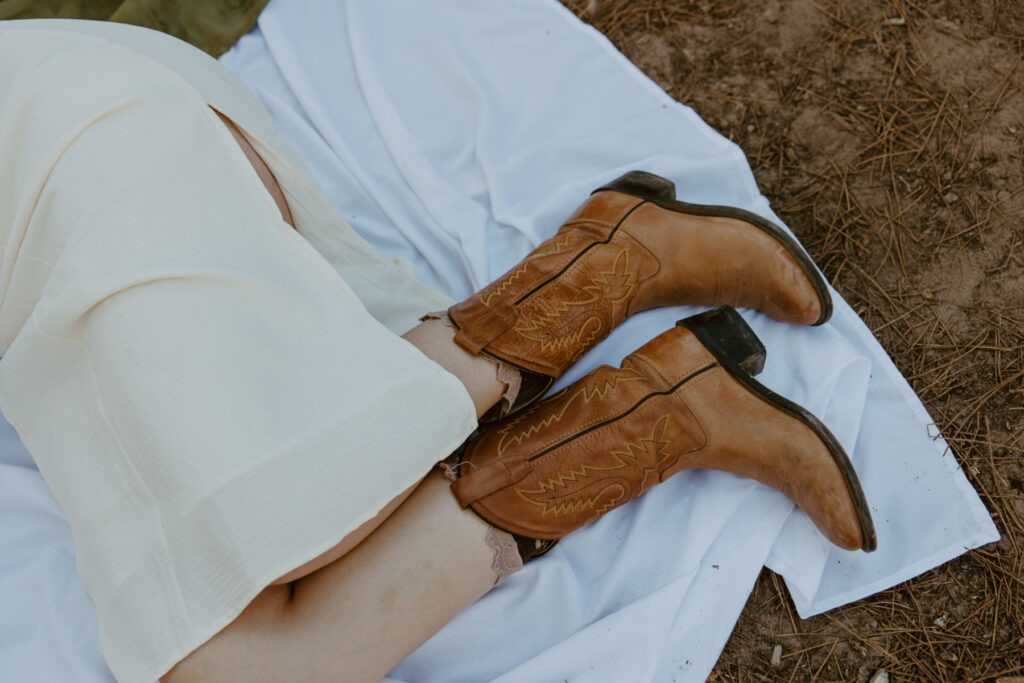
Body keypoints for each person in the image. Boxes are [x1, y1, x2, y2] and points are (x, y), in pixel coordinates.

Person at [0, 19, 874, 683]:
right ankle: (652, 399)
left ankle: (615, 293)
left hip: (77, 163)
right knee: (229, 661)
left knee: (272, 534)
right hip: (86, 173)